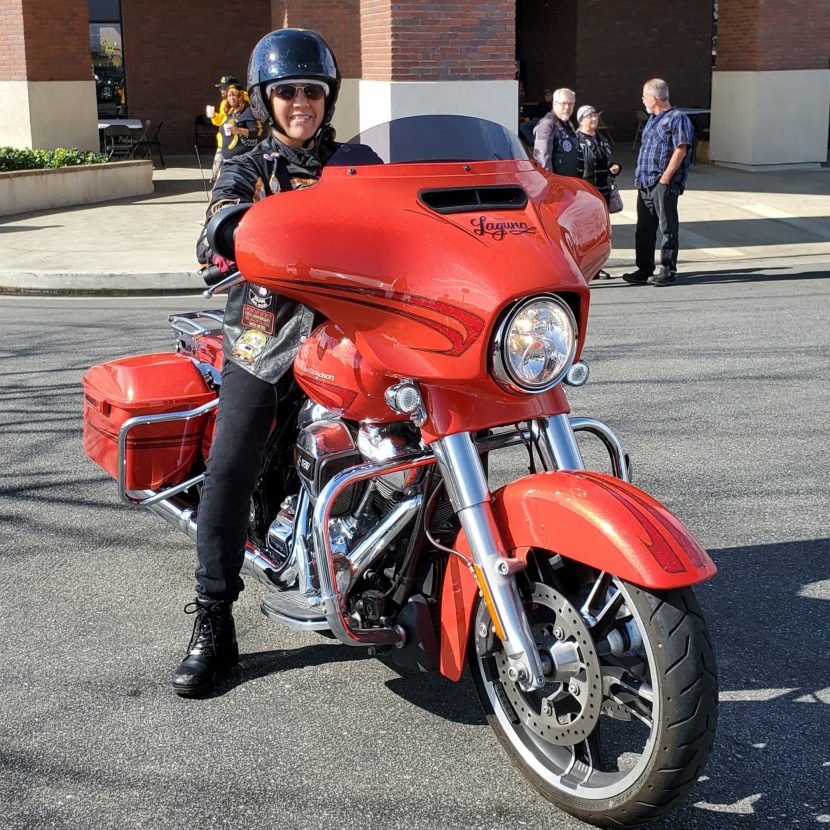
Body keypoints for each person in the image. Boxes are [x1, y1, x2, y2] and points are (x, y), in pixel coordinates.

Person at [171, 28, 341, 698]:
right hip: (262, 326)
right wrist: (231, 230)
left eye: (313, 91)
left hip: (344, 328)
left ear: (329, 96)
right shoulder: (249, 159)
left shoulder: (357, 161)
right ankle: (214, 617)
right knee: (235, 453)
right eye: (289, 91)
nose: (302, 101)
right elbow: (220, 219)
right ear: (267, 98)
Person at [623, 78, 694, 287]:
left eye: (644, 96)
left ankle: (667, 269)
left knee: (667, 227)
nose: (642, 100)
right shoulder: (653, 119)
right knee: (644, 228)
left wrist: (665, 178)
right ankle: (644, 269)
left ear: (654, 97)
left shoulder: (677, 118)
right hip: (645, 183)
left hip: (662, 183)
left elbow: (681, 148)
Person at [575, 105, 621, 279]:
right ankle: (586, 267)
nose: (594, 119)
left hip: (603, 190)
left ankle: (597, 266)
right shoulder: (577, 140)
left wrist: (615, 168)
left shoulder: (601, 138)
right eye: (590, 116)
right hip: (586, 190)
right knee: (586, 231)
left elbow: (606, 161)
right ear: (581, 120)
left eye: (595, 116)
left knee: (600, 232)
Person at [213, 82, 260, 179]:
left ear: (240, 96)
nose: (231, 98)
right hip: (226, 160)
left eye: (234, 95)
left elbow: (255, 132)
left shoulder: (248, 111)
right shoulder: (230, 112)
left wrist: (238, 130)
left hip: (240, 162)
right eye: (229, 95)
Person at [532, 87, 582, 176]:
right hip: (558, 185)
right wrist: (551, 184)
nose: (567, 107)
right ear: (554, 104)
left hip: (571, 183)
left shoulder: (566, 123)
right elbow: (543, 161)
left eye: (571, 104)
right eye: (563, 103)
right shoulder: (547, 125)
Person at [206, 74, 238, 181]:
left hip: (237, 143)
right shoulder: (224, 103)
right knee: (216, 174)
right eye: (220, 88)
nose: (221, 91)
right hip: (223, 143)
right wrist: (214, 116)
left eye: (224, 88)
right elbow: (221, 121)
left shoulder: (243, 100)